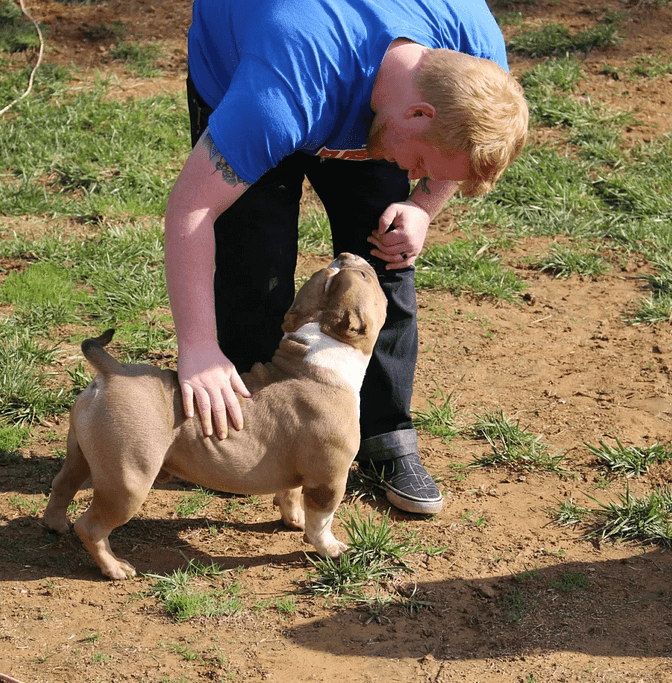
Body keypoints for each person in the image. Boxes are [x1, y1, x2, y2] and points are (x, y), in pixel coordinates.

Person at [164, 0, 528, 515]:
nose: (417, 170)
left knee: (382, 259)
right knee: (255, 262)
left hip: (358, 92)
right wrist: (197, 345)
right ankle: (242, 433)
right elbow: (191, 208)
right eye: (421, 163)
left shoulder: (476, 56)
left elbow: (457, 153)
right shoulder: (281, 89)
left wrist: (422, 205)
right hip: (263, 69)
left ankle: (384, 437)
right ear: (420, 112)